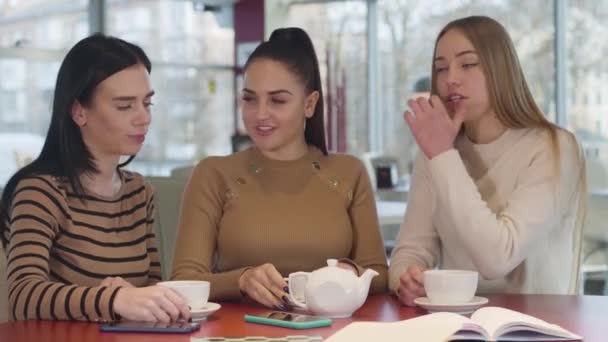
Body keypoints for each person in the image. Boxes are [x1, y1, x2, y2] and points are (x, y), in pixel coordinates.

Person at [171, 27, 388, 310]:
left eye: (278, 100)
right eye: (249, 98)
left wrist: (349, 273)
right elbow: (184, 279)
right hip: (239, 333)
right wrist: (242, 280)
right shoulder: (213, 174)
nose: (260, 114)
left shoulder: (349, 173)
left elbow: (379, 274)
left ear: (309, 104)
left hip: (333, 331)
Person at [389, 15, 586, 306]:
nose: (450, 78)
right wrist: (407, 280)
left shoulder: (555, 148)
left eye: (467, 64)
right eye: (441, 68)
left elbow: (497, 259)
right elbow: (410, 251)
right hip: (459, 324)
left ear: (500, 70)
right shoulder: (436, 149)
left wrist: (443, 155)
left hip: (538, 326)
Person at [0, 34, 190, 322]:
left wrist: (136, 297)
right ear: (79, 112)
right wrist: (114, 299)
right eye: (125, 106)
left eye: (147, 104)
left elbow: (151, 287)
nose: (143, 118)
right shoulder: (40, 190)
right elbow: (24, 295)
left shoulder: (139, 192)